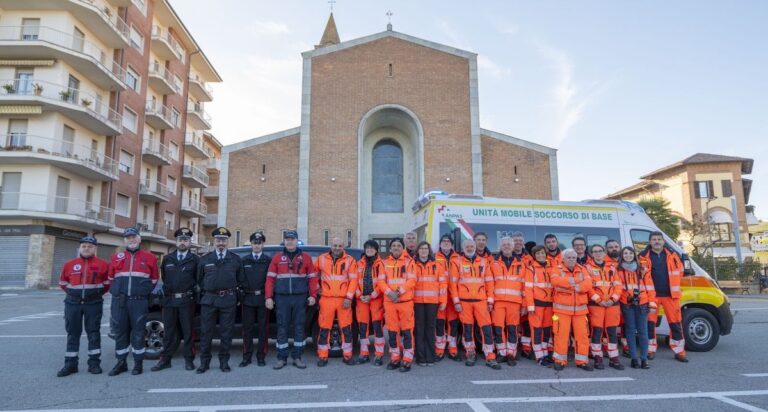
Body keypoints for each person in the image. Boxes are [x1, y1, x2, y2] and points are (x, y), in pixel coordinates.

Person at [107, 228, 159, 376]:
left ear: (139, 239)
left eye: (134, 237)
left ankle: (138, 364)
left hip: (138, 302)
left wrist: (142, 292)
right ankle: (121, 363)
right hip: (119, 302)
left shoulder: (150, 258)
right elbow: (110, 278)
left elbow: (154, 279)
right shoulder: (116, 257)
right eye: (128, 238)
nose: (131, 240)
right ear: (124, 240)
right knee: (120, 333)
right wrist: (118, 291)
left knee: (138, 333)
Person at [57, 235, 110, 377]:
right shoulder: (69, 264)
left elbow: (107, 285)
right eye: (84, 246)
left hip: (93, 303)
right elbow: (63, 283)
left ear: (95, 249)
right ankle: (70, 364)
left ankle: (94, 364)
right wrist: (75, 294)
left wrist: (93, 294)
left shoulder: (103, 264)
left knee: (93, 333)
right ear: (80, 248)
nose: (87, 248)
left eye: (90, 246)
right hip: (72, 303)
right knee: (73, 333)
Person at [266, 230, 318, 369]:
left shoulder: (306, 258)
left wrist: (313, 295)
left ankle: (297, 357)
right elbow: (270, 279)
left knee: (299, 327)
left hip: (300, 298)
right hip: (282, 298)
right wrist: (268, 297)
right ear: (284, 241)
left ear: (296, 240)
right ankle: (281, 358)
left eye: (292, 239)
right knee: (282, 327)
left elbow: (313, 279)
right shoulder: (277, 257)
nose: (290, 241)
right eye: (287, 239)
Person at [196, 227, 244, 373]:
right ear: (214, 241)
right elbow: (199, 280)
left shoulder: (235, 259)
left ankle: (224, 362)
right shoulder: (205, 259)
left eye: (223, 240)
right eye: (218, 240)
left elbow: (240, 280)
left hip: (228, 300)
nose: (221, 242)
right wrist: (210, 289)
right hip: (209, 299)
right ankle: (204, 363)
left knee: (226, 333)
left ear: (227, 241)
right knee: (206, 332)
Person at [152, 228, 199, 372]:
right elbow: (165, 278)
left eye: (185, 240)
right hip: (169, 300)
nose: (183, 242)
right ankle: (165, 360)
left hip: (186, 300)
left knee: (188, 332)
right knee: (169, 332)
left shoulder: (196, 260)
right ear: (176, 242)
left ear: (190, 242)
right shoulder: (167, 259)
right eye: (180, 240)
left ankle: (189, 360)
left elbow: (198, 280)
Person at [449, 239, 500, 370]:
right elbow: (452, 284)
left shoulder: (484, 262)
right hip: (464, 302)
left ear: (475, 246)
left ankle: (490, 355)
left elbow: (489, 282)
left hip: (481, 301)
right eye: (467, 246)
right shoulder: (456, 261)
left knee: (486, 329)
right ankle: (470, 353)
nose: (470, 248)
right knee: (467, 329)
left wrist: (490, 300)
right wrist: (456, 301)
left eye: (472, 246)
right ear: (463, 247)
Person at [638, 231, 688, 363]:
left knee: (676, 324)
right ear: (649, 242)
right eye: (654, 239)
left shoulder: (673, 255)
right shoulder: (643, 256)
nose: (656, 241)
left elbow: (681, 271)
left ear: (663, 241)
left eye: (659, 239)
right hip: (651, 296)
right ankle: (650, 350)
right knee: (650, 324)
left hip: (671, 295)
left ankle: (679, 352)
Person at [315, 238, 358, 366]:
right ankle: (323, 356)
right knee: (324, 329)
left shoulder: (350, 260)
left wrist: (349, 298)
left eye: (340, 245)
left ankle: (348, 356)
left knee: (346, 329)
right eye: (335, 245)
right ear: (331, 246)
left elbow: (353, 281)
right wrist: (317, 288)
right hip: (326, 299)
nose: (337, 248)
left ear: (343, 246)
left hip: (343, 300)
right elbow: (313, 275)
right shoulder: (321, 258)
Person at [550, 248, 592, 371]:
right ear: (563, 259)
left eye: (574, 257)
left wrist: (570, 286)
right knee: (560, 335)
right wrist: (577, 283)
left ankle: (582, 361)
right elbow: (555, 281)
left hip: (580, 310)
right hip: (561, 310)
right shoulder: (557, 269)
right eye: (569, 257)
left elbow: (588, 284)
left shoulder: (582, 269)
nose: (572, 259)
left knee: (583, 336)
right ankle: (559, 360)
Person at [378, 238, 416, 372]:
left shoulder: (409, 261)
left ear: (402, 248)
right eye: (393, 245)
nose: (396, 247)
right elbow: (381, 281)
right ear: (390, 248)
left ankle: (407, 359)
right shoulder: (384, 263)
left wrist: (398, 292)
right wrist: (389, 293)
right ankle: (395, 357)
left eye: (398, 245)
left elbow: (412, 280)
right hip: (390, 303)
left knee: (407, 332)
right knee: (392, 332)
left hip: (405, 302)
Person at [585, 244, 624, 370]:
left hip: (612, 305)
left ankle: (614, 358)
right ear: (591, 253)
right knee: (597, 332)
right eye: (595, 251)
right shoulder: (588, 268)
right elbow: (588, 287)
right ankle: (598, 357)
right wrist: (599, 300)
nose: (598, 253)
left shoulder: (612, 267)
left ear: (604, 252)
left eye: (600, 251)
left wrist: (613, 299)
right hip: (596, 305)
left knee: (612, 332)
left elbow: (618, 285)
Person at [618, 246, 656, 369]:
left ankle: (644, 359)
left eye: (630, 253)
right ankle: (634, 358)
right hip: (627, 303)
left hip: (642, 302)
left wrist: (651, 304)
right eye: (625, 253)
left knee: (643, 331)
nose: (628, 255)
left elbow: (650, 287)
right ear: (622, 255)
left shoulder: (642, 270)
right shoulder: (618, 270)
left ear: (634, 255)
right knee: (630, 331)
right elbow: (617, 288)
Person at [410, 241, 446, 366]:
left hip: (432, 302)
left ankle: (430, 357)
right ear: (418, 251)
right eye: (421, 248)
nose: (424, 251)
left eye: (426, 248)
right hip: (417, 302)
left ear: (429, 250)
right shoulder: (412, 265)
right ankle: (420, 357)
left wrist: (443, 301)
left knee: (430, 329)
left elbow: (443, 285)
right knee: (419, 329)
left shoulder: (437, 265)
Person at [491, 236, 525, 366]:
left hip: (515, 302)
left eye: (508, 244)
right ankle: (502, 353)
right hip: (498, 301)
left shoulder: (521, 263)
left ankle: (511, 353)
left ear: (513, 246)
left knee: (512, 329)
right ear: (500, 247)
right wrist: (490, 301)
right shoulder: (494, 263)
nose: (506, 246)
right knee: (498, 328)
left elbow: (524, 285)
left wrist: (525, 304)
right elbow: (490, 283)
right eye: (504, 244)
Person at [239, 232, 271, 367]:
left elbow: (270, 280)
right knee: (247, 329)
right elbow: (240, 278)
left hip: (263, 298)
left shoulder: (268, 260)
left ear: (262, 244)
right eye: (254, 243)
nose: (257, 245)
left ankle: (261, 356)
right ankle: (247, 356)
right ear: (251, 244)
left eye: (259, 243)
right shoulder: (244, 260)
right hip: (247, 298)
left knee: (263, 329)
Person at [356, 240, 386, 365]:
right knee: (363, 328)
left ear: (376, 250)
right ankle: (364, 354)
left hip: (376, 300)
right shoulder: (358, 263)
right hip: (361, 300)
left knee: (378, 327)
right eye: (367, 248)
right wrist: (359, 295)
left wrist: (372, 295)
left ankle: (379, 355)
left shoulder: (381, 264)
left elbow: (382, 282)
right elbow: (353, 280)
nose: (369, 250)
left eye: (372, 248)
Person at [524, 246, 554, 367]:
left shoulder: (553, 268)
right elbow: (528, 289)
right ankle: (539, 356)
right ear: (534, 256)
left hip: (550, 305)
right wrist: (530, 306)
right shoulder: (531, 269)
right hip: (537, 305)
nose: (540, 255)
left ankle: (545, 353)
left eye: (542, 253)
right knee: (536, 330)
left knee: (547, 331)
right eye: (537, 254)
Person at [434, 234, 461, 361]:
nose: (446, 243)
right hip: (439, 295)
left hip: (453, 296)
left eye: (448, 241)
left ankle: (452, 348)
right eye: (443, 241)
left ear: (452, 244)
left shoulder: (458, 258)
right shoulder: (434, 257)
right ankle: (439, 349)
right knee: (439, 323)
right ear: (439, 244)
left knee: (453, 324)